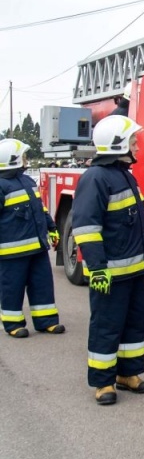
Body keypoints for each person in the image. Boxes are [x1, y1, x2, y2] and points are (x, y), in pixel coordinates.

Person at [73, 115, 144, 405]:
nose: (137, 146)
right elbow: (85, 228)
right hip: (109, 272)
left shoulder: (125, 175)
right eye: (133, 141)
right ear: (119, 144)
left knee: (134, 324)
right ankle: (103, 382)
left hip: (133, 272)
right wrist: (96, 269)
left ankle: (128, 374)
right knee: (107, 326)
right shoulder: (95, 178)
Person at [0, 139, 65, 338]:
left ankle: (46, 321)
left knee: (42, 284)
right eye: (23, 156)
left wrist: (52, 228)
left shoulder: (28, 181)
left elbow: (40, 209)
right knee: (13, 287)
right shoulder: (2, 185)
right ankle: (12, 324)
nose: (26, 159)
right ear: (13, 159)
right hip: (11, 253)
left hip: (37, 247)